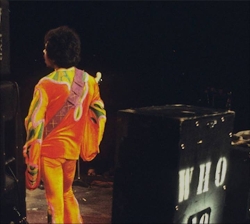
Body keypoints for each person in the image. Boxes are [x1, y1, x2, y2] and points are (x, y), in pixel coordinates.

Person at [22, 26, 106, 223]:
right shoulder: (89, 81)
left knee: (54, 202)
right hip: (72, 152)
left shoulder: (45, 84)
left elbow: (34, 123)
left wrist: (32, 159)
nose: (43, 52)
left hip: (50, 154)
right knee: (67, 194)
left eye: (46, 47)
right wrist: (89, 143)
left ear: (54, 52)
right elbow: (99, 115)